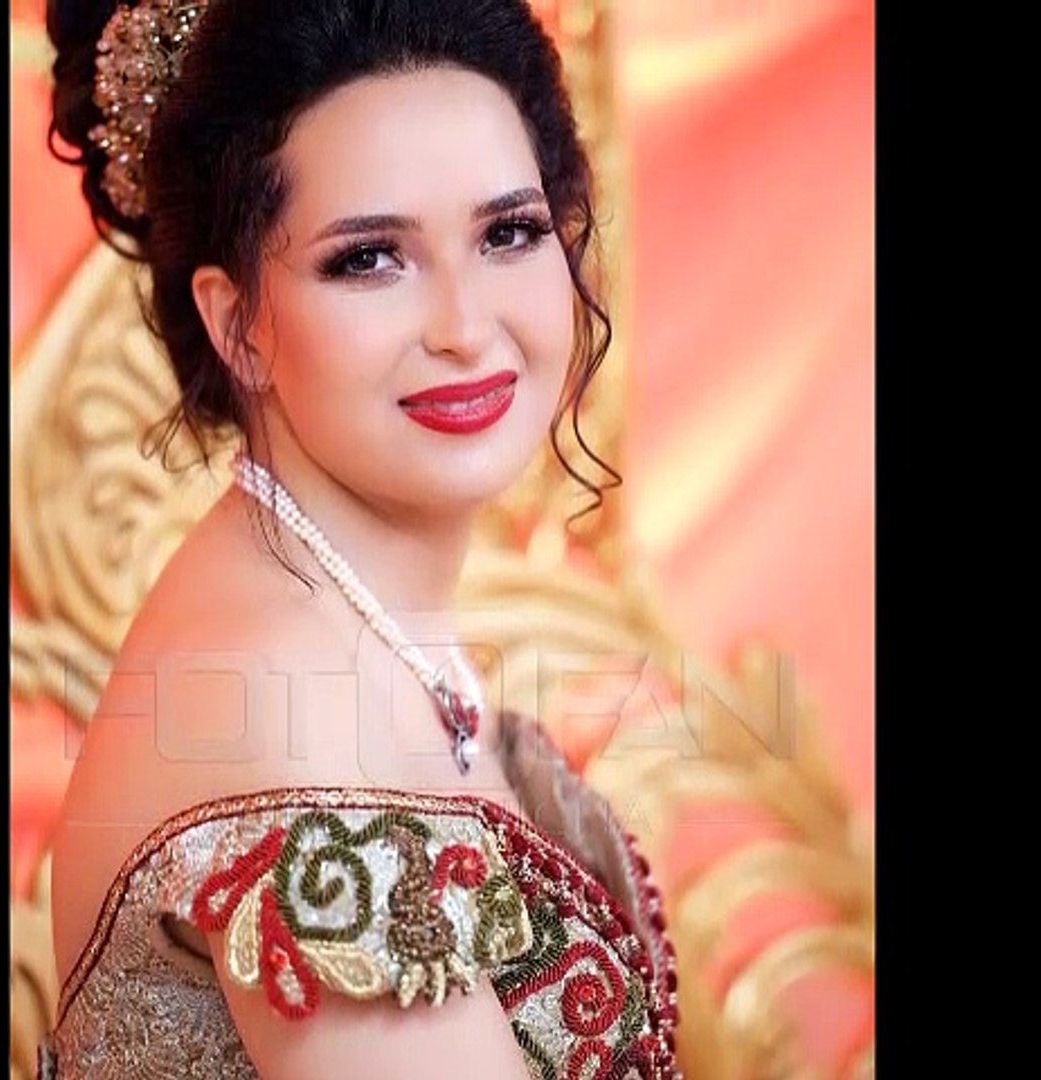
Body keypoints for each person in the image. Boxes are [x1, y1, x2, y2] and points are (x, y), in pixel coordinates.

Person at [39, 0, 680, 1076]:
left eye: (508, 234)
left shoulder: (352, 607)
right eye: (371, 258)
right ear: (237, 321)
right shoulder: (283, 706)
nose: (465, 328)